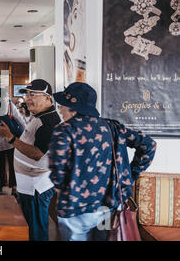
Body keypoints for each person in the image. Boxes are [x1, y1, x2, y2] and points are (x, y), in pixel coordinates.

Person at [49, 82, 157, 241]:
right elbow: (149, 145)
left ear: (74, 107)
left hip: (76, 210)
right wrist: (130, 176)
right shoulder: (113, 127)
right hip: (108, 206)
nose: (59, 109)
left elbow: (57, 173)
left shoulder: (64, 130)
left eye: (62, 105)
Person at [0, 79, 60, 241]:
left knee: (36, 230)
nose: (28, 98)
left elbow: (37, 154)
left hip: (36, 186)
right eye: (27, 94)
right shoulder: (39, 115)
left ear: (47, 98)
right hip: (29, 184)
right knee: (30, 226)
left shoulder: (48, 121)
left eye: (33, 94)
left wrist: (10, 138)